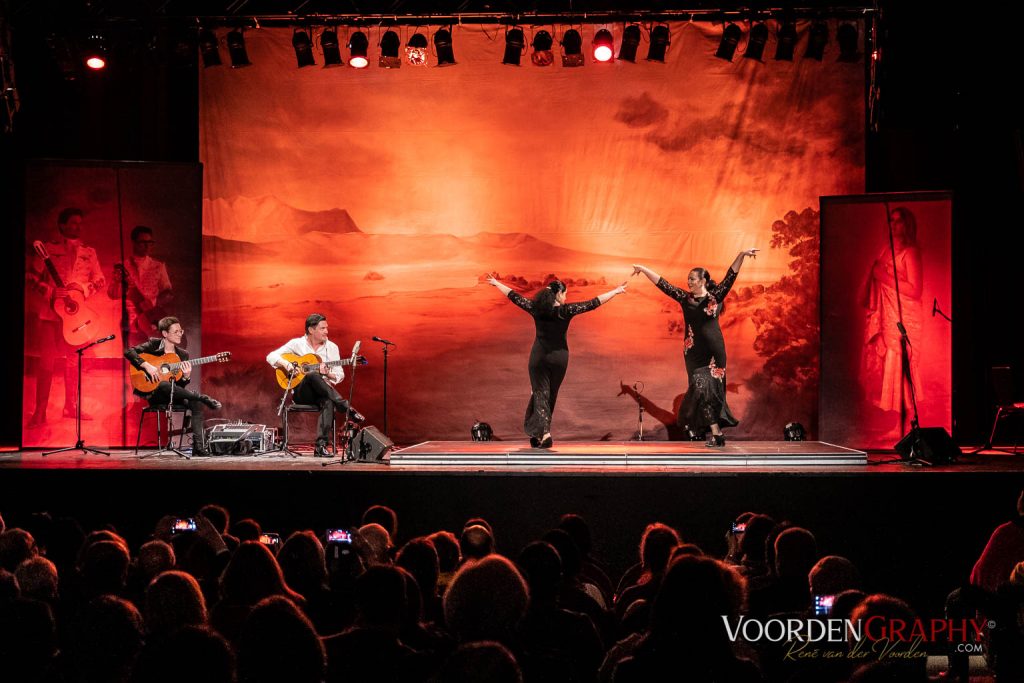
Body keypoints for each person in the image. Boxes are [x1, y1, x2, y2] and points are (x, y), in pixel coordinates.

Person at [631, 249, 758, 447]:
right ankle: (716, 434)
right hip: (693, 355)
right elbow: (663, 284)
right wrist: (644, 269)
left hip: (715, 353)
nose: (688, 282)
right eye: (688, 279)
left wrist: (741, 254)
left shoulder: (715, 297)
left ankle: (716, 433)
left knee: (711, 392)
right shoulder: (685, 298)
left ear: (703, 281)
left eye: (692, 279)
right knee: (700, 389)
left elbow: (731, 275)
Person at [485, 276, 627, 448]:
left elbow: (514, 296)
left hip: (539, 358)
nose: (566, 297)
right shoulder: (566, 311)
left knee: (540, 393)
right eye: (565, 294)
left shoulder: (536, 309)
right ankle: (540, 433)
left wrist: (497, 283)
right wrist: (616, 291)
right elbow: (594, 303)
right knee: (548, 394)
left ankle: (543, 433)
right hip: (560, 359)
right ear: (558, 294)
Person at [26, 207, 106, 426]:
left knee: (74, 362)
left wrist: (82, 289)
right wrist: (50, 291)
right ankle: (40, 411)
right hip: (50, 316)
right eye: (72, 223)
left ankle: (71, 407)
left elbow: (100, 280)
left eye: (79, 223)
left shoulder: (89, 252)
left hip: (77, 318)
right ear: (61, 225)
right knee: (46, 362)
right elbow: (30, 276)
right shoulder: (47, 248)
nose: (76, 227)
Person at [860, 207, 923, 437]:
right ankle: (900, 426)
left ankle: (910, 426)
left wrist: (884, 276)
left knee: (903, 369)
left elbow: (915, 290)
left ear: (907, 224)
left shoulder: (911, 252)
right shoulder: (886, 249)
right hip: (888, 315)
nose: (894, 225)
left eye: (899, 221)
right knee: (893, 370)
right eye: (891, 221)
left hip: (905, 318)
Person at [266, 313, 364, 458]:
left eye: (327, 328)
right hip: (302, 393)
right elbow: (271, 356)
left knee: (328, 401)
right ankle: (345, 407)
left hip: (323, 392)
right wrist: (287, 365)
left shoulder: (332, 347)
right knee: (311, 374)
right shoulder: (296, 344)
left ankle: (320, 446)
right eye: (322, 328)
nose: (326, 331)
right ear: (311, 330)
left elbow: (339, 374)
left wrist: (328, 374)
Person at [125, 316, 222, 455]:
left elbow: (180, 385)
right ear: (165, 333)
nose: (180, 334)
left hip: (174, 393)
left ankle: (199, 448)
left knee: (195, 403)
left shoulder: (183, 354)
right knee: (163, 384)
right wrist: (147, 366)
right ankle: (203, 397)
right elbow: (129, 352)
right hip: (155, 393)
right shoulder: (153, 345)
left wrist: (186, 376)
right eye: (176, 331)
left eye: (180, 331)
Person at [107, 225, 174, 346]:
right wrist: (117, 282)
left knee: (155, 355)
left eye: (150, 242)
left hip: (151, 319)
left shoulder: (158, 266)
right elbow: (112, 294)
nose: (147, 246)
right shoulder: (122, 265)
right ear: (134, 243)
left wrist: (153, 303)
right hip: (129, 320)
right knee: (133, 357)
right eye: (143, 242)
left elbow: (168, 293)